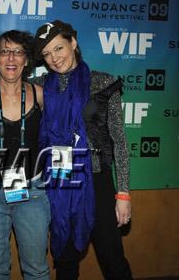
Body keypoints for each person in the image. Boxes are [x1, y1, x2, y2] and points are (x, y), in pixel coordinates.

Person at [33, 20, 132, 280]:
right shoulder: (40, 86)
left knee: (112, 258)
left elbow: (119, 140)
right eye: (46, 54)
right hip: (60, 181)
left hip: (97, 181)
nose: (54, 58)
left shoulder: (103, 83)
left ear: (73, 43)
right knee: (65, 260)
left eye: (58, 48)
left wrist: (123, 194)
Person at [0, 30, 51, 279]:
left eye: (18, 52)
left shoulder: (40, 94)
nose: (11, 58)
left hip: (34, 192)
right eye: (5, 51)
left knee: (36, 267)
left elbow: (61, 133)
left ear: (27, 60)